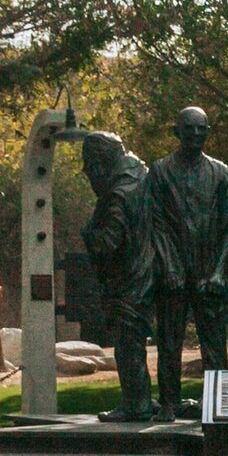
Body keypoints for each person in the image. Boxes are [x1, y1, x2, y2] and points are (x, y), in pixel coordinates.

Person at [147, 106, 228, 415]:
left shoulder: (221, 173)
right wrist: (169, 266)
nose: (196, 134)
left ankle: (218, 403)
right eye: (190, 128)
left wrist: (218, 273)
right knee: (169, 342)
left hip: (208, 272)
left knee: (214, 342)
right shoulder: (160, 171)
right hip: (172, 272)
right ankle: (169, 402)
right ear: (177, 131)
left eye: (202, 129)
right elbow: (156, 223)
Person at [76, 130, 160, 422]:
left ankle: (136, 404)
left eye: (88, 162)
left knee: (127, 344)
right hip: (148, 273)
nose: (86, 171)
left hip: (130, 279)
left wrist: (89, 235)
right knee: (135, 343)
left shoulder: (119, 192)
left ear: (101, 160)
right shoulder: (144, 177)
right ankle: (144, 398)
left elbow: (110, 242)